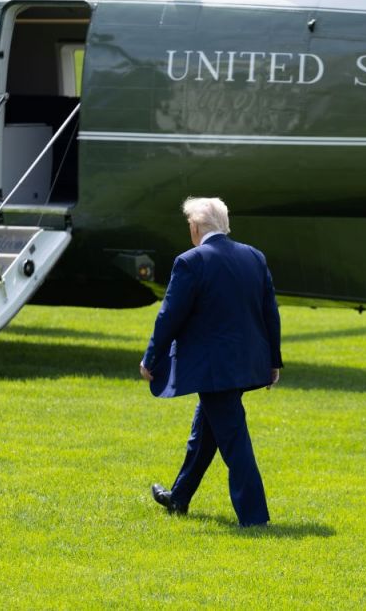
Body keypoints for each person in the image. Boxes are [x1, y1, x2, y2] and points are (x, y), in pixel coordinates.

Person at [140, 196, 282, 527]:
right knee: (204, 434)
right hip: (247, 363)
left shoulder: (190, 261)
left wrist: (151, 357)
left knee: (234, 441)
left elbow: (169, 316)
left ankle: (254, 518)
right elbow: (270, 313)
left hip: (214, 369)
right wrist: (273, 361)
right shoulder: (254, 256)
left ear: (194, 227)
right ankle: (178, 498)